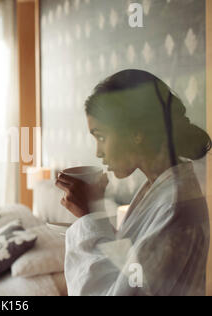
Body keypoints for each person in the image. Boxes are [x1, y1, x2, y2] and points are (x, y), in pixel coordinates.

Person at [56, 69, 210, 296]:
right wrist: (95, 211)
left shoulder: (175, 205)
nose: (98, 152)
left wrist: (87, 217)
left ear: (135, 132)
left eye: (101, 136)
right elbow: (128, 268)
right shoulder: (158, 188)